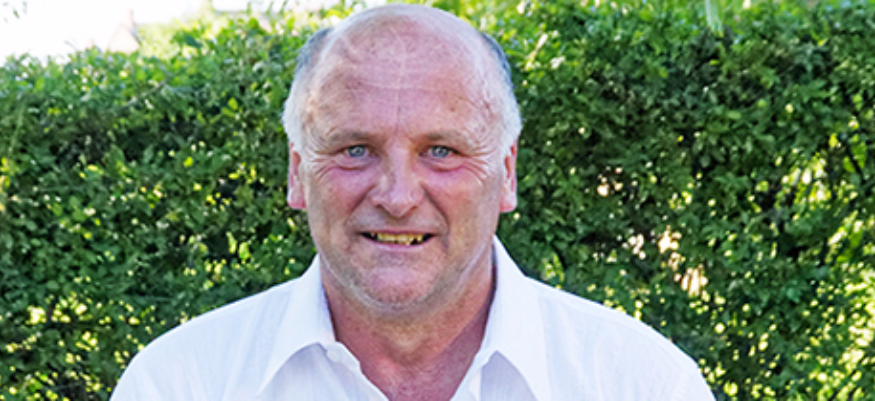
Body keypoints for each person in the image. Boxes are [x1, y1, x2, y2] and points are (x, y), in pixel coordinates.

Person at [111, 4, 715, 400]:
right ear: (298, 172)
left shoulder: (641, 384)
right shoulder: (180, 383)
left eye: (442, 151)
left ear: (506, 174)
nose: (397, 197)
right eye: (354, 150)